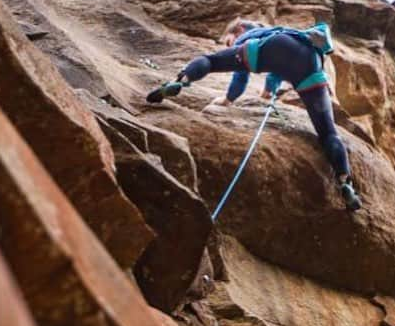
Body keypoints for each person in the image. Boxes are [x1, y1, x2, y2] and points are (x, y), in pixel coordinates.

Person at [147, 18, 362, 211]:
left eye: (229, 42)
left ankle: (180, 81)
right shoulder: (285, 31)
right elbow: (280, 69)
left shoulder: (249, 34)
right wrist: (269, 90)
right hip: (310, 64)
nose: (230, 46)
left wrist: (228, 99)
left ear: (239, 30)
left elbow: (242, 76)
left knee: (211, 60)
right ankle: (345, 182)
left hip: (274, 48)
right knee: (328, 133)